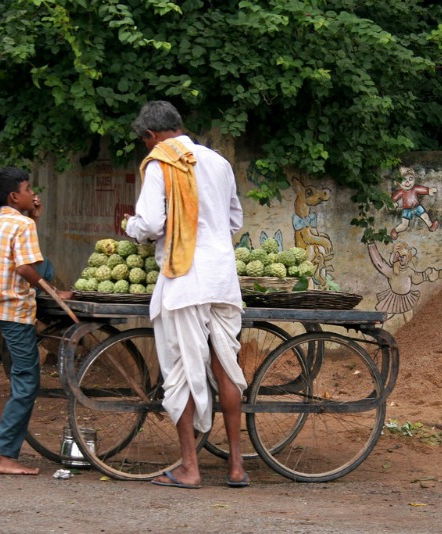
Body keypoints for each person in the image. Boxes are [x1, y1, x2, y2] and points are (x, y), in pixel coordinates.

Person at [124, 101, 249, 489]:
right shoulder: (218, 162)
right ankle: (236, 467)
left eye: (145, 141)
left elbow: (150, 223)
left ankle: (190, 469)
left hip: (184, 278)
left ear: (151, 136)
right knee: (225, 366)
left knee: (180, 373)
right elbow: (233, 220)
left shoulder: (162, 163)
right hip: (222, 278)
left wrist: (131, 228)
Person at [0, 166, 67, 475]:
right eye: (29, 190)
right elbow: (26, 267)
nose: (34, 194)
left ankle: (4, 453)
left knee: (23, 379)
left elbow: (16, 256)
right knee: (27, 382)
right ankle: (1, 456)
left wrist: (33, 217)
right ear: (15, 196)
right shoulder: (22, 225)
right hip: (13, 310)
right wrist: (52, 291)